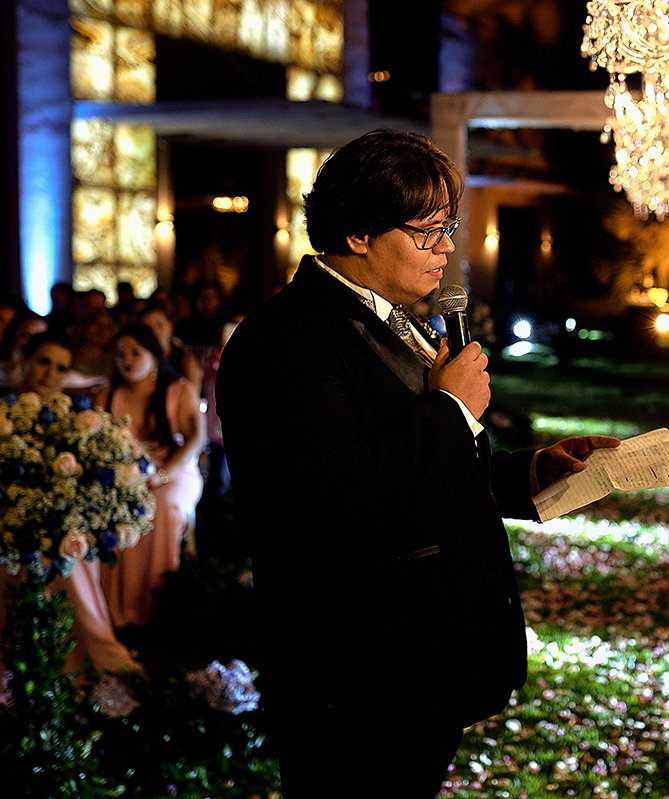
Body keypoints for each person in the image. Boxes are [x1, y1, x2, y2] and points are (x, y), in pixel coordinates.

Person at [216, 129, 618, 797]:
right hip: (354, 668)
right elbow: (337, 495)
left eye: (448, 228)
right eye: (428, 231)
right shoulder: (288, 342)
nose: (448, 248)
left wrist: (528, 474)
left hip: (420, 661)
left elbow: (421, 469)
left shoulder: (387, 318)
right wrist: (449, 410)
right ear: (358, 233)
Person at [1, 331, 142, 675]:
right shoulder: (4, 412)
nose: (50, 374)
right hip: (8, 525)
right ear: (25, 362)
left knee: (69, 559)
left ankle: (74, 654)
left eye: (61, 368)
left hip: (53, 527)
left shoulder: (72, 421)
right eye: (43, 362)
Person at [97, 323, 205, 627]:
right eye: (120, 354)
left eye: (135, 352)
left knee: (163, 507)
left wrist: (162, 474)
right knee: (109, 511)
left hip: (175, 471)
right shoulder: (108, 395)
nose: (127, 360)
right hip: (124, 477)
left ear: (154, 354)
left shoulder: (178, 389)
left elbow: (196, 440)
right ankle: (114, 608)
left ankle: (159, 607)